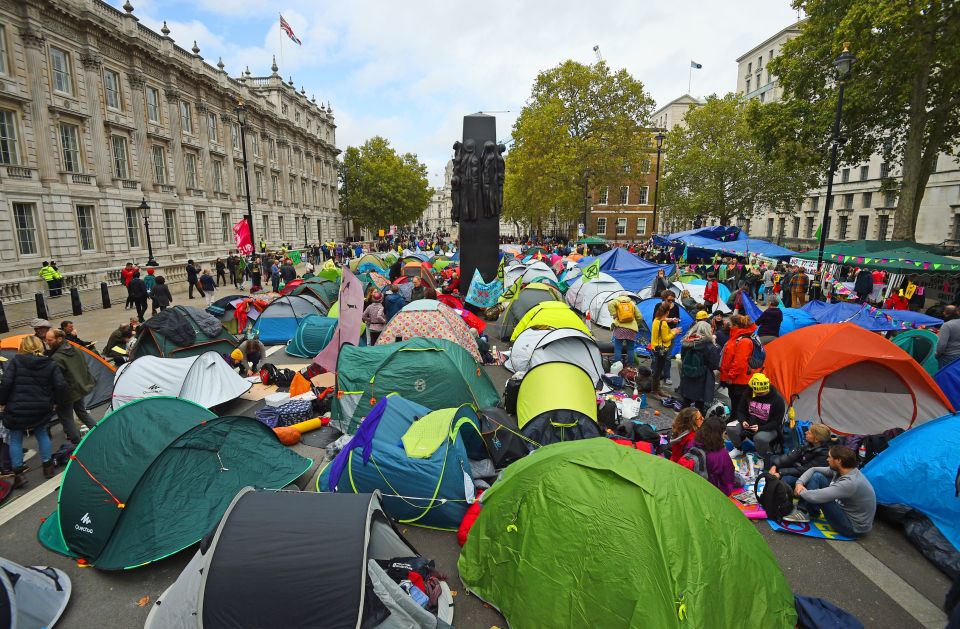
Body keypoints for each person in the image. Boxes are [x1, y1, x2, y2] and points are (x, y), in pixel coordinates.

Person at [0, 335, 66, 487]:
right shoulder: (50, 363)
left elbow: (6, 383)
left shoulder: (16, 361)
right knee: (42, 434)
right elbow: (61, 385)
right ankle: (47, 467)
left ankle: (19, 475)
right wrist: (56, 402)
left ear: (23, 347)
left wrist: (2, 402)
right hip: (41, 407)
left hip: (17, 408)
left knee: (15, 440)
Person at [783, 445, 877, 537]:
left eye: (829, 457)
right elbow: (813, 469)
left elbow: (816, 497)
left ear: (839, 460)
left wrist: (800, 492)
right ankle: (811, 512)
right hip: (849, 515)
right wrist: (799, 483)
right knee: (817, 476)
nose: (827, 459)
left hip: (852, 528)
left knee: (822, 496)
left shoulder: (850, 482)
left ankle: (803, 511)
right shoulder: (846, 470)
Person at [46, 329, 96, 444]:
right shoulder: (75, 349)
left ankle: (77, 444)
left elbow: (57, 381)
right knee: (81, 412)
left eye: (50, 340)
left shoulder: (57, 358)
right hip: (79, 388)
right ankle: (97, 431)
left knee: (67, 419)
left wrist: (55, 399)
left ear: (59, 339)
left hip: (66, 394)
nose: (47, 342)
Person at [726, 373, 785, 458]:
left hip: (768, 428)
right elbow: (740, 410)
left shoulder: (777, 399)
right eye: (757, 393)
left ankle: (762, 456)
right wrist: (743, 421)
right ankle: (738, 449)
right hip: (749, 424)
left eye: (762, 393)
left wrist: (760, 428)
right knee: (730, 428)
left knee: (760, 438)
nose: (759, 394)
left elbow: (777, 422)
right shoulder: (748, 393)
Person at [719, 315, 758, 425]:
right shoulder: (737, 337)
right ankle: (733, 420)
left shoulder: (744, 340)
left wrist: (730, 376)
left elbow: (739, 362)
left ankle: (737, 424)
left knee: (739, 403)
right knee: (735, 401)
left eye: (730, 323)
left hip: (739, 380)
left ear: (736, 325)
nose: (728, 325)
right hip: (736, 378)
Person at [678, 311, 721, 412]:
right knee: (699, 406)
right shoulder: (710, 346)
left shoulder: (687, 343)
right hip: (703, 377)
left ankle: (681, 423)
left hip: (688, 374)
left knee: (686, 402)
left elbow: (683, 357)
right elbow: (714, 365)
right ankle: (696, 425)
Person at [767, 424, 832, 488]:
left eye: (809, 432)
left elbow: (804, 470)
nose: (806, 432)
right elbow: (790, 456)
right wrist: (775, 466)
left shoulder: (824, 454)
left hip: (805, 477)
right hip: (797, 467)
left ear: (816, 439)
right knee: (774, 458)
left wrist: (781, 473)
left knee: (786, 479)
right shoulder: (808, 443)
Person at [693, 418, 737, 495]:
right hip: (711, 491)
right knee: (740, 480)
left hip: (692, 484)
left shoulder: (693, 442)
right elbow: (728, 478)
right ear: (719, 434)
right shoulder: (722, 454)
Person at [650, 302, 678, 397]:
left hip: (655, 347)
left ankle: (657, 389)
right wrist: (674, 332)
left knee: (657, 369)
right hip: (662, 349)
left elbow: (660, 334)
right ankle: (655, 391)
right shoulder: (664, 324)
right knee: (658, 370)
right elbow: (665, 338)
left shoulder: (656, 320)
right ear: (667, 312)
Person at [607, 294, 642, 368]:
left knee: (618, 348)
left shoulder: (616, 301)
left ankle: (617, 366)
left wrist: (614, 314)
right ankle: (630, 366)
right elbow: (639, 316)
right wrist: (636, 324)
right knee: (630, 349)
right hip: (631, 329)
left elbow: (610, 304)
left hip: (620, 328)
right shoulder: (632, 303)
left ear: (619, 296)